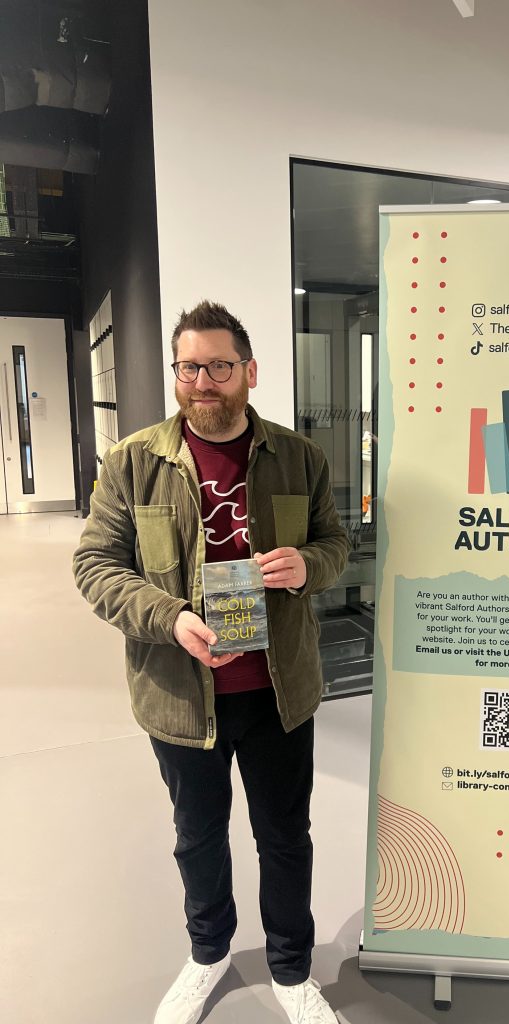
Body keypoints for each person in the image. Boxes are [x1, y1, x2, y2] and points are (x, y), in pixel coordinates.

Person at [73, 300, 349, 1024]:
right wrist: (170, 617)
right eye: (189, 366)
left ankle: (291, 969)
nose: (203, 381)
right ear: (176, 374)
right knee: (197, 836)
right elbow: (96, 566)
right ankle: (208, 954)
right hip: (180, 692)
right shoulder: (133, 462)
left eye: (219, 366)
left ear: (249, 372)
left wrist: (308, 565)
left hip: (278, 690)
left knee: (286, 836)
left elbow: (336, 543)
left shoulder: (299, 457)